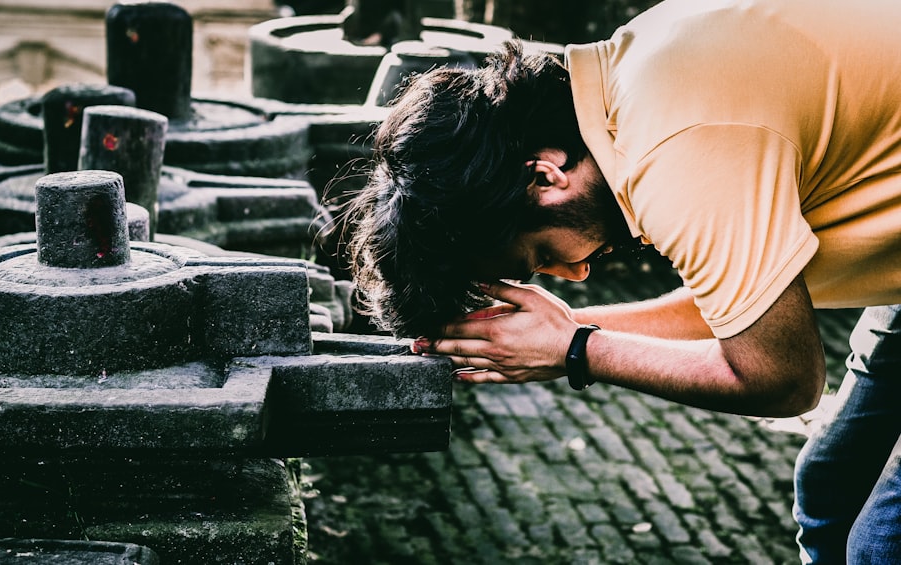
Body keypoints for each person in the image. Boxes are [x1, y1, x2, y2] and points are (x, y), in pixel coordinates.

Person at [339, 0, 901, 562]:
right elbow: (737, 308)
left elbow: (784, 376)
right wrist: (565, 329)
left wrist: (577, 351)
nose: (576, 273)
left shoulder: (675, 148)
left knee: (881, 544)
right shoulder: (627, 97)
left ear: (543, 174)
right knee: (834, 487)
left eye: (537, 256)